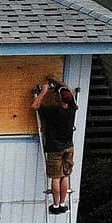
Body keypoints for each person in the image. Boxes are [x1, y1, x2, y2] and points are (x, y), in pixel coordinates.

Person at [32, 76, 77, 213]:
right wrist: (55, 80)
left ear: (58, 98)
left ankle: (56, 205)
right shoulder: (72, 107)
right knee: (65, 175)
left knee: (56, 177)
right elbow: (68, 91)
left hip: (55, 149)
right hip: (68, 147)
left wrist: (44, 92)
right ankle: (63, 204)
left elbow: (35, 106)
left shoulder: (53, 111)